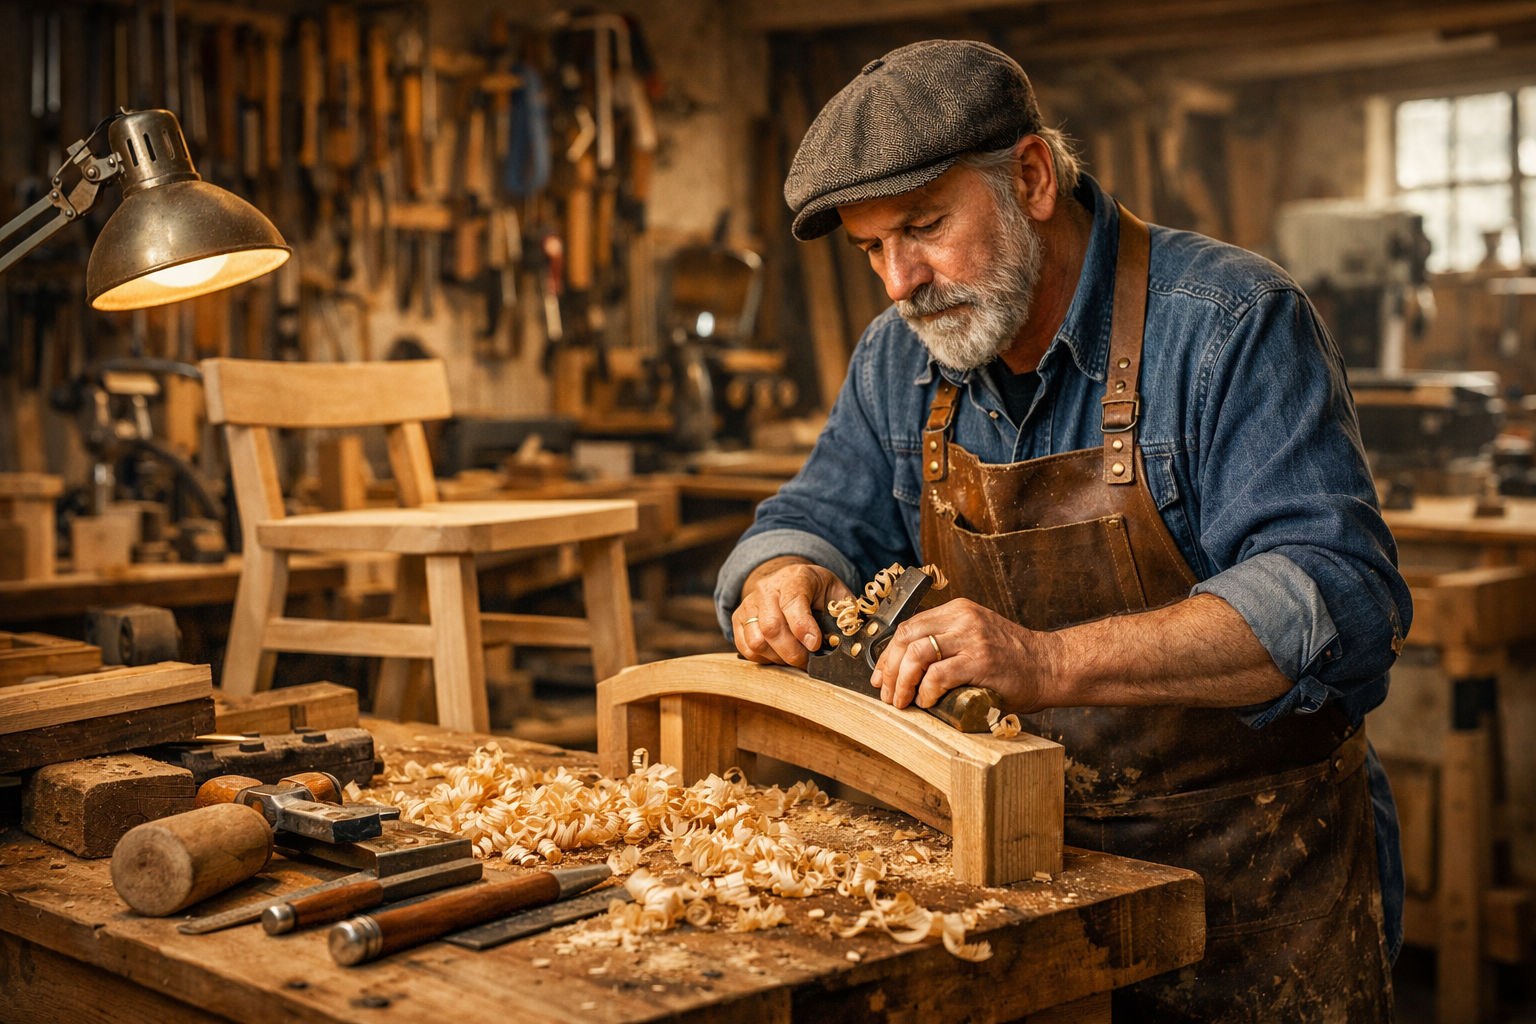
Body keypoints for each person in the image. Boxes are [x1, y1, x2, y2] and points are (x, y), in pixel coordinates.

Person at [715, 39, 1408, 1021]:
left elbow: (1330, 592)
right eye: (872, 248)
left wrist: (1043, 660)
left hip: (1247, 880)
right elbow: (814, 516)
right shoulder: (897, 362)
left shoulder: (1229, 322)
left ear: (1033, 177)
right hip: (1014, 882)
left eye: (923, 226)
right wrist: (783, 571)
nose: (899, 282)